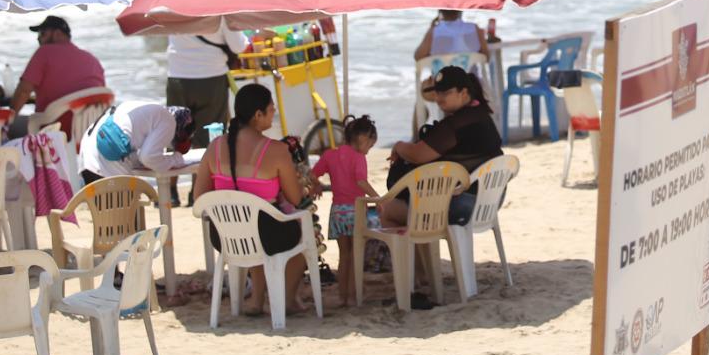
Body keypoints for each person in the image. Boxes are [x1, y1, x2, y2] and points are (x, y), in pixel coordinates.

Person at [194, 85, 310, 315]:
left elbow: (199, 198)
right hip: (269, 235)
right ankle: (287, 301)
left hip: (224, 236)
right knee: (302, 238)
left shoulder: (215, 146)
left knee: (254, 227)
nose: (274, 112)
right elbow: (295, 198)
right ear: (258, 115)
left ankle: (257, 301)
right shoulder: (276, 150)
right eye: (270, 109)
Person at [384, 66, 501, 228]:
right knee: (424, 199)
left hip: (463, 205)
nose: (439, 98)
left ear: (464, 93)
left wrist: (398, 146)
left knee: (387, 210)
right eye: (438, 93)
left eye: (445, 93)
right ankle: (426, 254)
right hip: (491, 200)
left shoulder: (455, 125)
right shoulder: (481, 114)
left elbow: (418, 155)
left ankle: (413, 255)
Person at [311, 115, 382, 308]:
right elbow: (361, 181)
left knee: (344, 256)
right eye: (370, 146)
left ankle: (343, 295)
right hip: (355, 211)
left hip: (337, 212)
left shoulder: (330, 155)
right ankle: (352, 296)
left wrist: (316, 185)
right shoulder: (358, 158)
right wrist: (378, 199)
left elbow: (311, 174)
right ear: (363, 139)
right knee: (355, 255)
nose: (368, 151)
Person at [8, 15, 106, 131]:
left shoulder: (44, 52)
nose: (38, 38)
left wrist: (7, 120)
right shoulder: (92, 60)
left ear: (57, 33)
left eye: (42, 33)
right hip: (89, 131)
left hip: (53, 130)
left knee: (11, 128)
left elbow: (23, 92)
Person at [165, 27, 248, 149]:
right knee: (210, 138)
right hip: (211, 77)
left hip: (177, 76)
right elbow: (239, 46)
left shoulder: (169, 9)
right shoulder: (219, 10)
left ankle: (175, 165)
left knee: (175, 137)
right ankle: (207, 166)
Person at [79, 100, 194, 186]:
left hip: (87, 157)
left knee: (106, 216)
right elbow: (148, 158)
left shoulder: (145, 110)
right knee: (127, 215)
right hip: (106, 160)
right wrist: (177, 159)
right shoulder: (169, 121)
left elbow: (132, 145)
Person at [413, 10, 488, 60]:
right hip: (471, 81)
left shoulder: (434, 32)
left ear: (440, 12)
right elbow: (487, 57)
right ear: (460, 10)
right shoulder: (474, 28)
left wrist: (431, 28)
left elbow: (418, 57)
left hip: (442, 82)